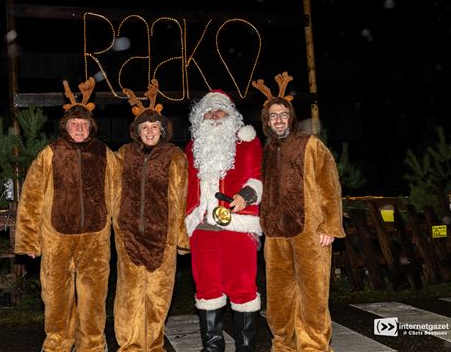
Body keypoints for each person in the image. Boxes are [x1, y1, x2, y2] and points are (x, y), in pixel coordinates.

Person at [14, 78, 117, 352]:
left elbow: (120, 194)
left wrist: (125, 231)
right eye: (74, 124)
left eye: (84, 124)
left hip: (95, 240)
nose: (79, 128)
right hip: (57, 240)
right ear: (66, 126)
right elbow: (31, 198)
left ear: (90, 126)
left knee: (94, 299)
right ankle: (58, 344)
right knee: (56, 298)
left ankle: (93, 345)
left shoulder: (104, 154)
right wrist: (28, 241)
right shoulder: (50, 154)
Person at [254, 73, 346, 351]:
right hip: (276, 235)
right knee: (279, 296)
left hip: (310, 232)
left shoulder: (311, 144)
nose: (279, 119)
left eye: (283, 114)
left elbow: (330, 184)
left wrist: (330, 226)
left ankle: (313, 345)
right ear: (267, 121)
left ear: (291, 117)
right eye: (273, 116)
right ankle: (284, 343)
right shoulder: (267, 150)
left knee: (313, 294)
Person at [111, 79, 189, 352]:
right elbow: (110, 191)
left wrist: (181, 238)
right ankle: (130, 346)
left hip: (162, 238)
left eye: (154, 126)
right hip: (129, 236)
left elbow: (181, 198)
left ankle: (153, 345)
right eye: (144, 127)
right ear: (137, 131)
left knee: (157, 298)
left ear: (163, 129)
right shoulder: (123, 155)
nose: (149, 131)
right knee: (129, 297)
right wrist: (116, 227)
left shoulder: (175, 156)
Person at [184, 90, 263, 352]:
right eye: (209, 112)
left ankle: (246, 346)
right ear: (200, 118)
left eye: (220, 111)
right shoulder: (192, 148)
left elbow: (258, 176)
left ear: (230, 115)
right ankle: (213, 347)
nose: (215, 116)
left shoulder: (247, 141)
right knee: (207, 287)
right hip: (203, 228)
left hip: (238, 226)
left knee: (242, 286)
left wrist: (247, 195)